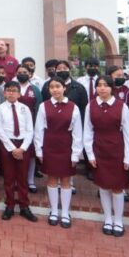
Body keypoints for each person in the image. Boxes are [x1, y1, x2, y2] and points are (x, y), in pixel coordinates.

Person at [84, 76, 129, 236]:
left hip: (117, 149)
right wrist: (90, 154)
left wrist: (128, 157)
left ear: (112, 88)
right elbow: (87, 131)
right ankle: (107, 218)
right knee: (103, 186)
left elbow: (128, 133)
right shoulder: (91, 106)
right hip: (99, 149)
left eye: (105, 85)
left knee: (117, 187)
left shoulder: (122, 106)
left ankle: (118, 220)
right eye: (99, 85)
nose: (102, 88)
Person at [34, 78, 83, 227]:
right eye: (52, 87)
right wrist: (39, 149)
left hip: (66, 146)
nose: (55, 90)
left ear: (64, 88)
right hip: (49, 145)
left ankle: (65, 212)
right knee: (52, 179)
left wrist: (76, 153)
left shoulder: (73, 107)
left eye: (58, 86)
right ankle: (54, 211)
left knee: (66, 181)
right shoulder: (44, 106)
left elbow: (77, 132)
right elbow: (39, 130)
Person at [0, 81, 36, 222]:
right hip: (8, 145)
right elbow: (0, 130)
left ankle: (24, 206)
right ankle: (10, 206)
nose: (11, 93)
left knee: (22, 177)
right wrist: (13, 148)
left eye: (14, 90)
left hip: (23, 145)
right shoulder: (0, 109)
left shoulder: (25, 108)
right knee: (9, 178)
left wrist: (22, 148)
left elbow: (30, 130)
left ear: (19, 93)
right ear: (4, 93)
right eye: (9, 90)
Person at [17, 64, 43, 193]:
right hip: (15, 126)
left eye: (25, 72)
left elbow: (39, 108)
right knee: (16, 153)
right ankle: (18, 180)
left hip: (31, 125)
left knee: (31, 154)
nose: (22, 73)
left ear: (29, 74)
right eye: (20, 71)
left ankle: (30, 180)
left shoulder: (35, 89)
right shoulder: (13, 87)